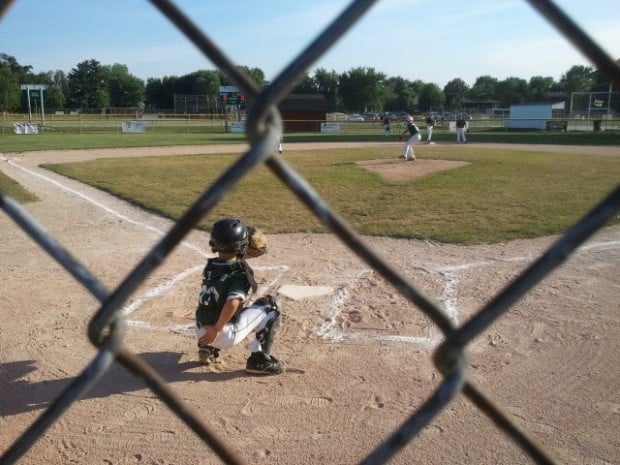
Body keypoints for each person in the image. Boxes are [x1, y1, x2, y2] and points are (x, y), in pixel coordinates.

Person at [195, 217, 284, 375]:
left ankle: (207, 349)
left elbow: (229, 257)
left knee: (216, 303)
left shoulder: (211, 266)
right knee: (270, 305)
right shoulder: (239, 272)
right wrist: (216, 329)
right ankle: (259, 360)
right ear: (242, 246)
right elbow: (232, 302)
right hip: (222, 334)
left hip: (201, 331)